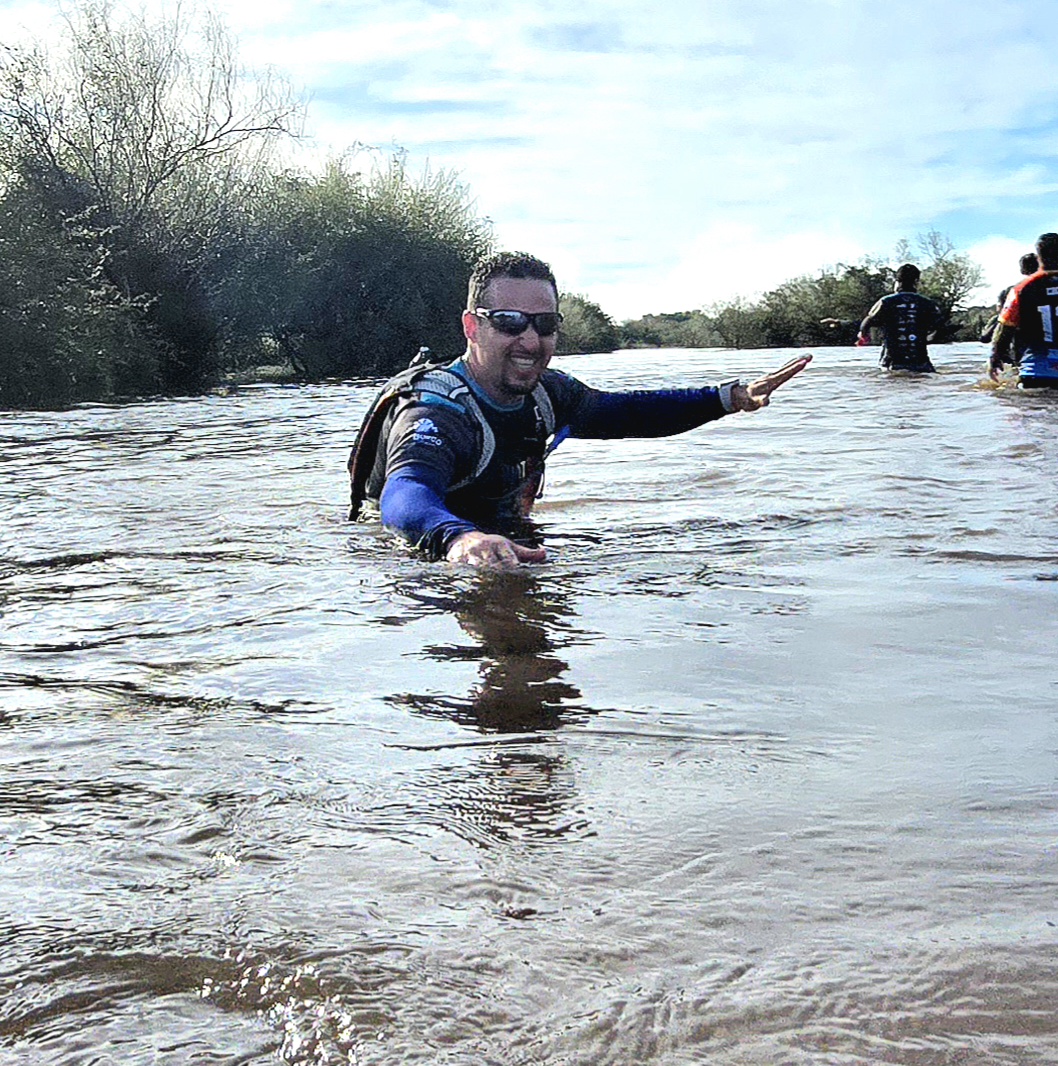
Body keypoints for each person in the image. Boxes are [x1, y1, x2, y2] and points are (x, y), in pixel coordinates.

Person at [347, 251, 811, 567]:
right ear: (472, 326)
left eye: (544, 324)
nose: (530, 340)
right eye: (509, 322)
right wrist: (459, 539)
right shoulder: (436, 412)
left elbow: (627, 413)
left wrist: (728, 398)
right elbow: (404, 493)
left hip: (500, 539)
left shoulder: (550, 394)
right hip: (417, 552)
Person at [989, 233, 1058, 387]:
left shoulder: (1022, 289)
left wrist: (995, 357)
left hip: (1036, 373)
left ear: (1039, 256)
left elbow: (1004, 329)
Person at [856, 263, 944, 372]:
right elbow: (940, 326)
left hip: (892, 362)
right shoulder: (927, 303)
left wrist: (863, 336)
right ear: (916, 282)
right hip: (921, 362)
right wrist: (928, 338)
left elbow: (867, 322)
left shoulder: (885, 302)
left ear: (897, 282)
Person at [980, 252, 1039, 344]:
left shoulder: (1012, 291)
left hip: (1018, 344)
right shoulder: (1051, 287)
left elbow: (985, 338)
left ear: (1022, 270)